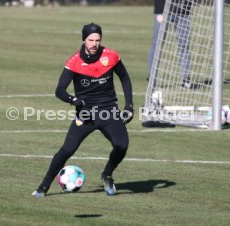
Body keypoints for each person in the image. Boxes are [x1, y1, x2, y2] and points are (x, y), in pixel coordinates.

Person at [32, 23, 134, 197]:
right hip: (86, 114)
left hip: (109, 111)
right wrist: (74, 100)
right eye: (90, 40)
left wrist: (129, 106)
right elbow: (60, 91)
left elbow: (124, 78)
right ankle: (43, 186)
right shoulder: (74, 62)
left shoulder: (111, 56)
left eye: (97, 40)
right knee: (67, 150)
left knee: (121, 145)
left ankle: (107, 175)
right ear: (83, 40)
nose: (94, 44)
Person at [147, 0, 193, 88]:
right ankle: (152, 76)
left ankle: (186, 78)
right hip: (163, 10)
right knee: (157, 43)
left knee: (184, 44)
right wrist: (160, 10)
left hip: (184, 10)